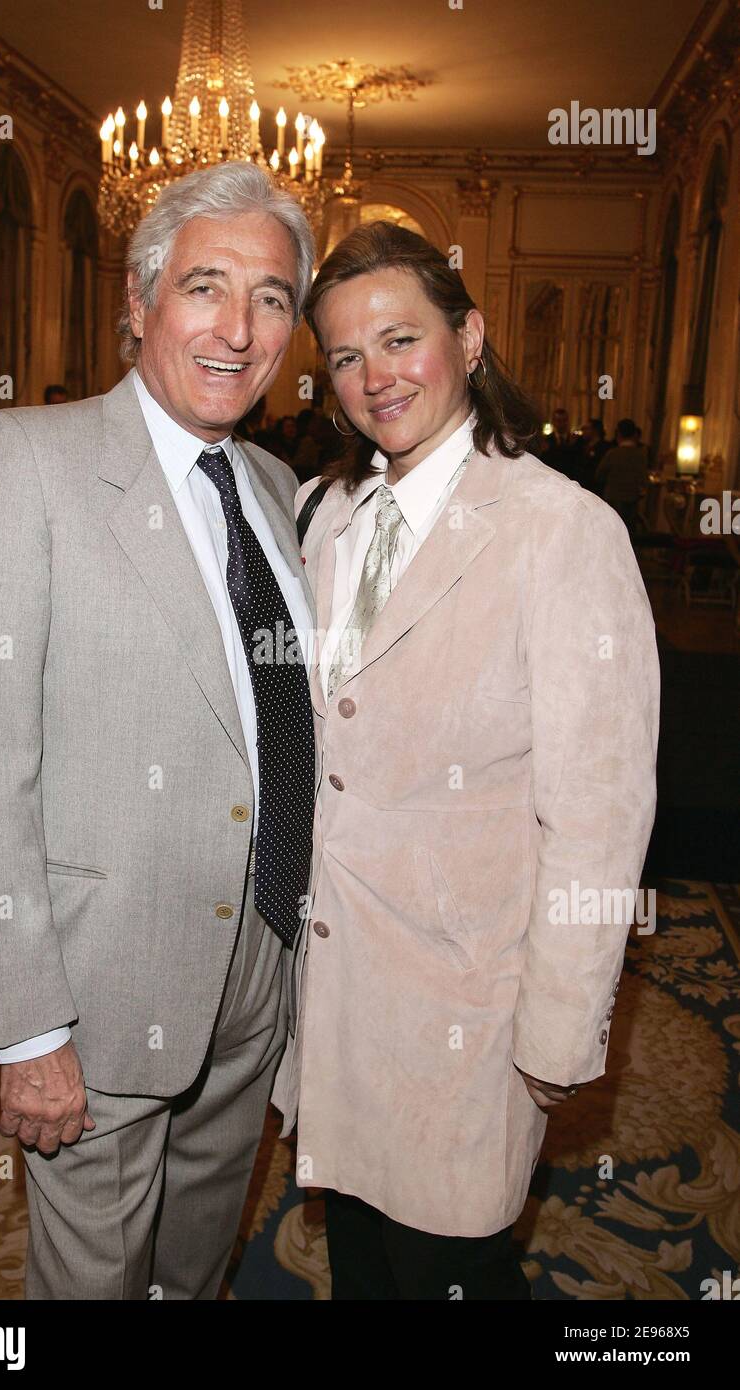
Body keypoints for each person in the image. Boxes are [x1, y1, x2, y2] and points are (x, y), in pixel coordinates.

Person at [0, 162, 318, 1300]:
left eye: (272, 299)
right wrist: (27, 1024)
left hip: (258, 960)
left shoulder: (276, 485)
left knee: (197, 1264)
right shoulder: (27, 461)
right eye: (205, 287)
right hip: (98, 984)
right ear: (140, 302)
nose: (237, 330)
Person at [271, 221, 660, 1300]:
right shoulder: (326, 514)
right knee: (357, 1266)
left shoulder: (560, 531)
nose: (371, 377)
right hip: (337, 994)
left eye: (399, 340)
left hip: (469, 1011)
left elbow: (599, 810)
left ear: (470, 337)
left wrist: (554, 1030)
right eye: (344, 356)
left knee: (449, 1271)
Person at [595, 417, 651, 533]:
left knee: (612, 530)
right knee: (629, 531)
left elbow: (600, 474)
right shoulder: (640, 455)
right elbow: (644, 478)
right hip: (631, 499)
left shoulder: (613, 453)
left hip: (612, 497)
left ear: (618, 433)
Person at [540, 406, 580, 481]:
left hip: (571, 479)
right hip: (552, 479)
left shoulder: (576, 440)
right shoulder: (546, 440)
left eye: (564, 420)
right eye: (558, 420)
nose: (562, 424)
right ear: (553, 422)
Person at [576, 417, 608, 492]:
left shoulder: (605, 448)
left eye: (586, 428)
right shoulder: (579, 446)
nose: (583, 431)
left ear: (595, 430)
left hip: (597, 489)